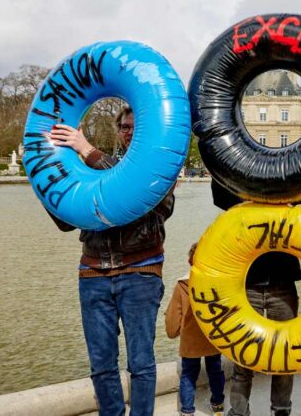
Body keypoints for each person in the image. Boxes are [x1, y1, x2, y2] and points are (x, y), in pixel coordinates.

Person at [47, 107, 172, 416]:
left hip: (140, 272)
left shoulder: (159, 166)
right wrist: (44, 181)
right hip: (93, 274)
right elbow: (66, 223)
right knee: (101, 365)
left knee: (141, 362)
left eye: (134, 126)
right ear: (119, 132)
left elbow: (137, 197)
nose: (129, 131)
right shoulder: (90, 171)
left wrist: (87, 150)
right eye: (124, 127)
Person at [211, 180, 301, 416]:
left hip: (282, 284)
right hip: (248, 285)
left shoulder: (288, 191)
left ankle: (281, 409)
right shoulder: (240, 196)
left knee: (283, 357)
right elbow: (220, 194)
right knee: (243, 357)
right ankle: (239, 411)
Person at [165, 243, 225, 416]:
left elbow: (173, 318)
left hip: (190, 339)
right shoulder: (218, 283)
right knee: (215, 370)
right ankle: (218, 403)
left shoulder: (182, 285)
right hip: (212, 336)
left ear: (189, 261)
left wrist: (173, 332)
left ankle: (187, 410)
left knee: (188, 374)